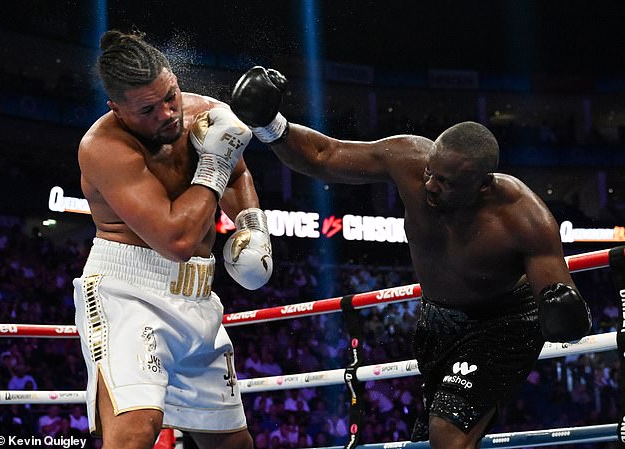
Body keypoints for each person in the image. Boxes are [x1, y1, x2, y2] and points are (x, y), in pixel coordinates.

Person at [229, 66, 592, 449]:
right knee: (431, 438)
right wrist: (271, 125)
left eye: (446, 182)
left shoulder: (523, 218)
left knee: (447, 434)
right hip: (435, 320)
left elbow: (558, 294)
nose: (430, 186)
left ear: (484, 185)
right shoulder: (409, 161)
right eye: (430, 174)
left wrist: (565, 312)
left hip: (501, 324)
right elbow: (325, 155)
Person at [73, 31, 274, 449]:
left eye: (171, 96)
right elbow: (177, 239)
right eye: (148, 109)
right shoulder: (105, 148)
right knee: (135, 432)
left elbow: (237, 173)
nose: (168, 113)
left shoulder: (206, 114)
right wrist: (215, 162)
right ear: (117, 109)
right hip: (127, 293)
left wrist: (253, 227)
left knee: (234, 445)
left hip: (197, 296)